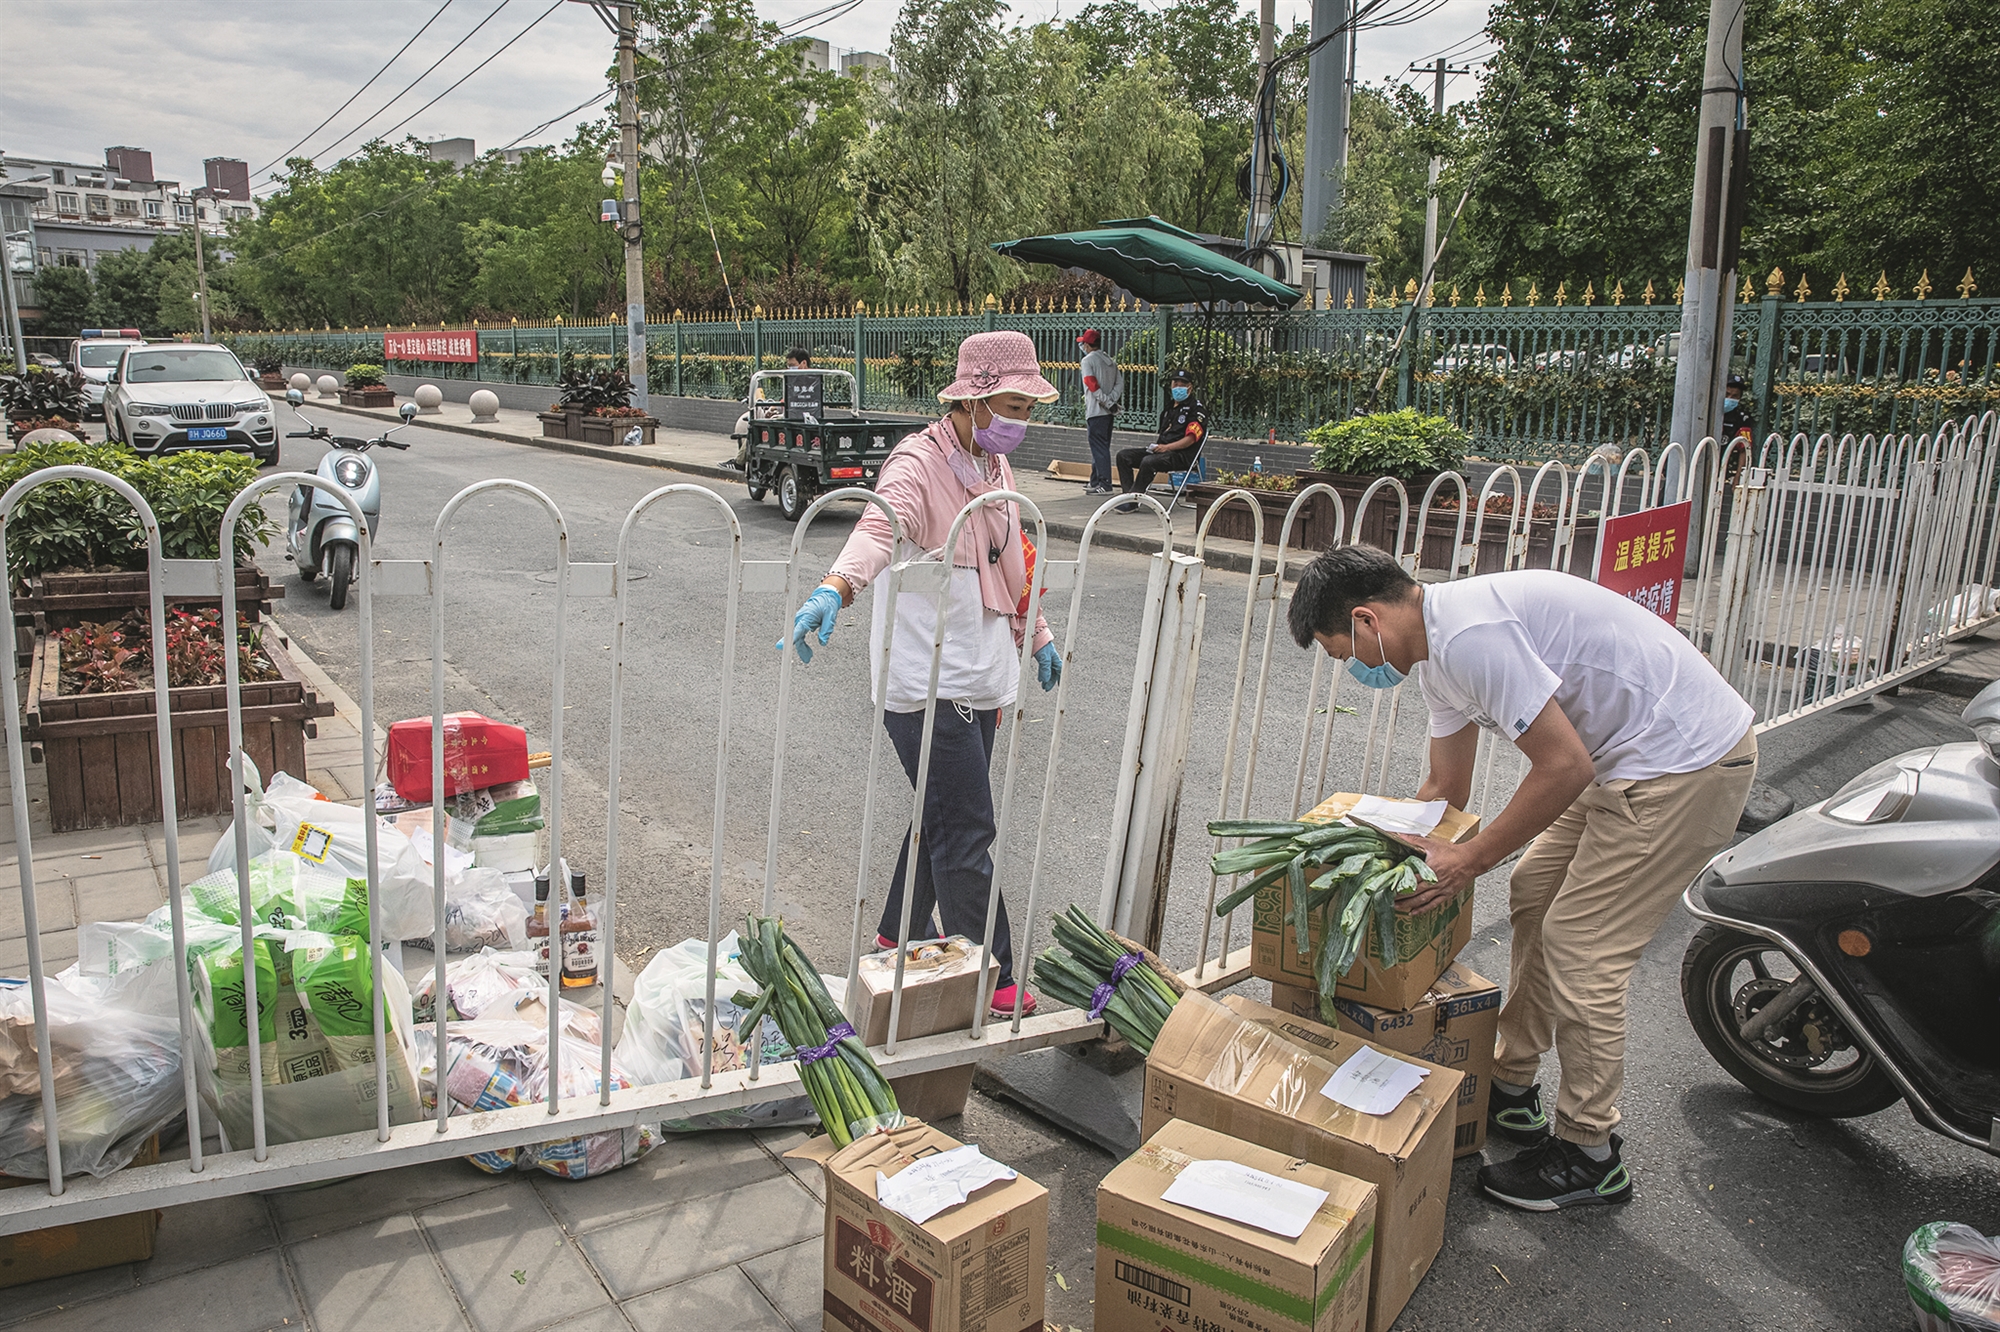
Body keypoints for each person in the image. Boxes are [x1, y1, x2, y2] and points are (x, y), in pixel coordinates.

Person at [1286, 545, 1757, 1211]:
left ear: (1367, 620)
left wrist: (1470, 859)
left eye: (1343, 654)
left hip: (1683, 765)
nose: (1353, 669)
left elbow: (1563, 767)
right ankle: (1510, 1084)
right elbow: (1445, 787)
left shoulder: (1472, 638)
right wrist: (1378, 847)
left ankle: (1590, 1154)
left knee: (1582, 947)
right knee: (1534, 891)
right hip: (1624, 760)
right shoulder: (1437, 654)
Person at [780, 330, 1061, 1018]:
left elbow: (1013, 559)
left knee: (941, 813)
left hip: (981, 675)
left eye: (1028, 408)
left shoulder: (994, 467)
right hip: (928, 682)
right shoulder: (917, 462)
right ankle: (990, 973)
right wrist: (837, 587)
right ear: (971, 401)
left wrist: (1037, 634)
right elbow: (880, 527)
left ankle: (897, 931)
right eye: (1012, 407)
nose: (1021, 422)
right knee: (966, 828)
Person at [1115, 368, 1206, 502]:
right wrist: (1159, 448)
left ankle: (1134, 499)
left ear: (1190, 387)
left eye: (1182, 385)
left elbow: (1191, 439)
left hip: (1181, 455)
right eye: (1175, 384)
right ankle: (1128, 497)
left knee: (1148, 461)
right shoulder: (1169, 408)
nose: (1178, 387)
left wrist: (1167, 447)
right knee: (1123, 456)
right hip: (1161, 451)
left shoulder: (1196, 409)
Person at [731, 347, 813, 468]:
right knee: (759, 414)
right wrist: (773, 409)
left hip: (796, 420)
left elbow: (799, 408)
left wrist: (778, 414)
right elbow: (786, 401)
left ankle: (739, 462)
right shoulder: (796, 381)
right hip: (790, 416)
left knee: (756, 427)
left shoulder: (809, 382)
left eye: (792, 365)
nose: (789, 369)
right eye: (788, 366)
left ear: (804, 363)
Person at [1077, 329, 1123, 494]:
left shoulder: (1087, 361)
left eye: (1083, 343)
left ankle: (1105, 484)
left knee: (1099, 449)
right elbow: (1119, 383)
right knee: (1101, 447)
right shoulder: (1110, 361)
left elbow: (1091, 384)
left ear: (1087, 345)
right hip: (1108, 413)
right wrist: (1111, 401)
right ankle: (1095, 480)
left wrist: (1106, 401)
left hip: (1096, 412)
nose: (1082, 346)